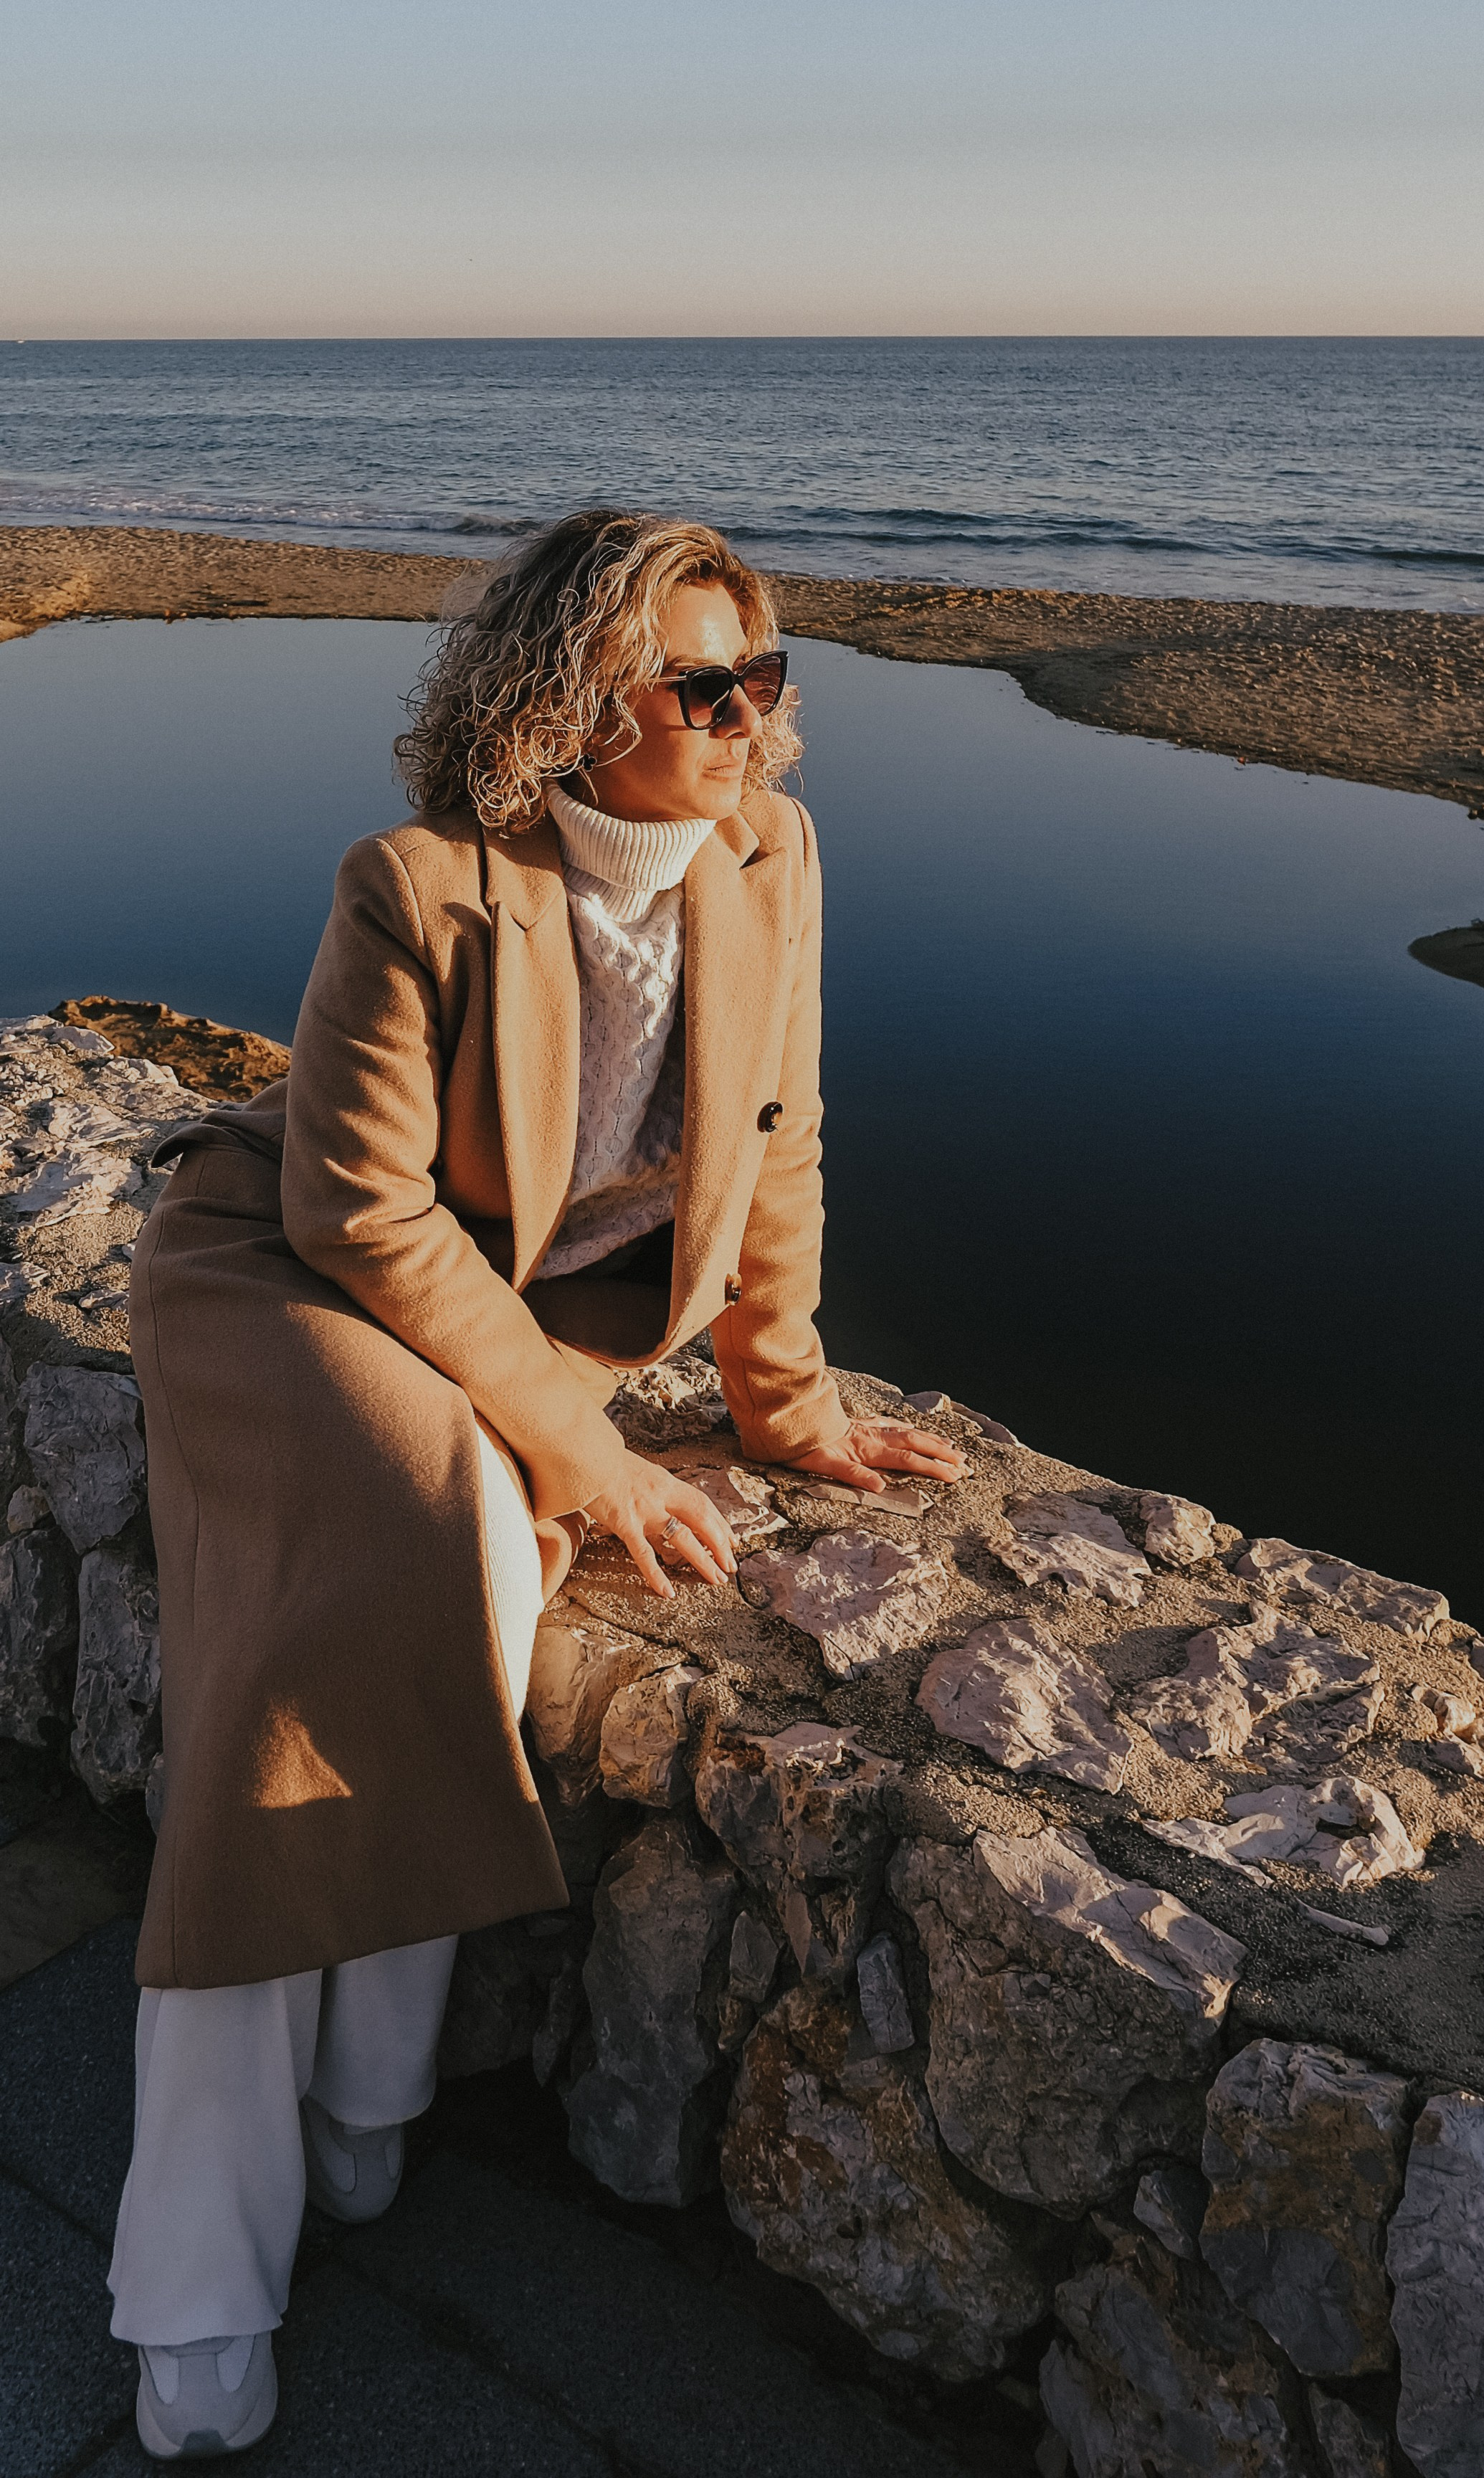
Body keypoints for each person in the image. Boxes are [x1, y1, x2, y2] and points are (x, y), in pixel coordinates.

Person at [110, 507, 963, 2459]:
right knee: (386, 1582)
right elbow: (358, 1207)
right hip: (293, 1279)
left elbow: (783, 1138)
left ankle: (369, 2091)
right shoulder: (418, 882)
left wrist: (783, 1396)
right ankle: (189, 2263)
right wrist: (585, 1446)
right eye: (703, 685)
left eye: (767, 678)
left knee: (484, 1584)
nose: (751, 720)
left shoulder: (771, 855)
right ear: (575, 705)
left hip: (530, 1307)